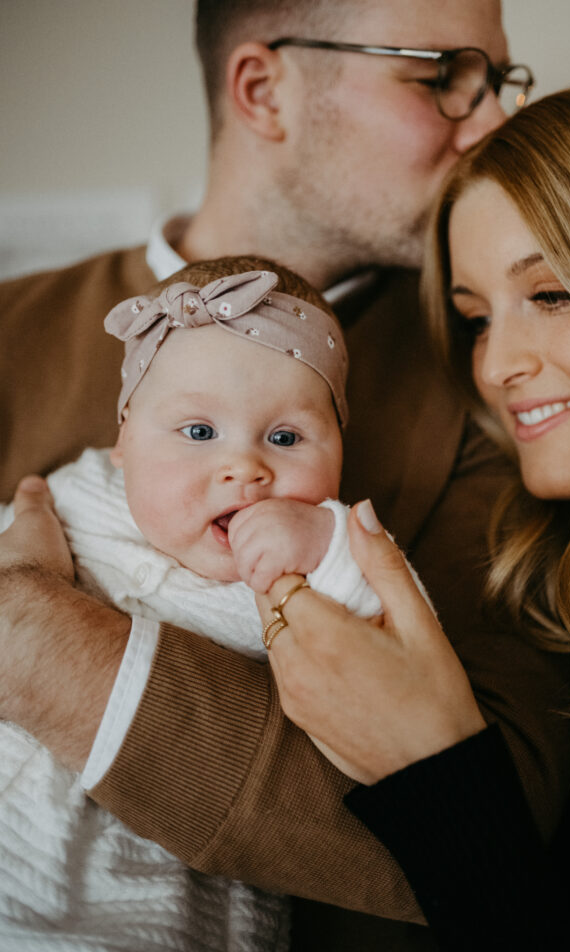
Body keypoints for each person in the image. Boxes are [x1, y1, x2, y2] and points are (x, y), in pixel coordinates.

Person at [0, 0, 570, 949]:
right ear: (262, 89)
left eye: (496, 78)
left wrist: (39, 644)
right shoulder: (11, 329)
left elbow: (489, 821)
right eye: (443, 76)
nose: (492, 118)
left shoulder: (502, 387)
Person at [251, 85, 570, 950]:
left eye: (551, 294)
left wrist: (435, 772)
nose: (494, 366)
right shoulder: (564, 611)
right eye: (474, 318)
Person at [0, 255, 383, 950]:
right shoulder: (69, 497)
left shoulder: (324, 560)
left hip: (141, 900)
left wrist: (325, 543)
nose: (244, 467)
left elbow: (401, 666)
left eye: (286, 438)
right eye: (199, 432)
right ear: (122, 442)